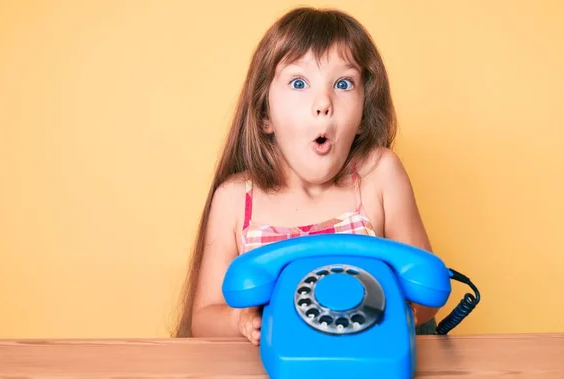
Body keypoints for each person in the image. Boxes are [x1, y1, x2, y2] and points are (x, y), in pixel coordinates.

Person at [173, 6, 439, 344]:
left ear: (362, 115)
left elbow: (428, 295)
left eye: (343, 83)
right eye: (299, 83)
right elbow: (204, 318)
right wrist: (239, 321)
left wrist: (397, 314)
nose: (323, 103)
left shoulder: (380, 175)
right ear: (264, 116)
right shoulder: (236, 198)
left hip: (369, 373)